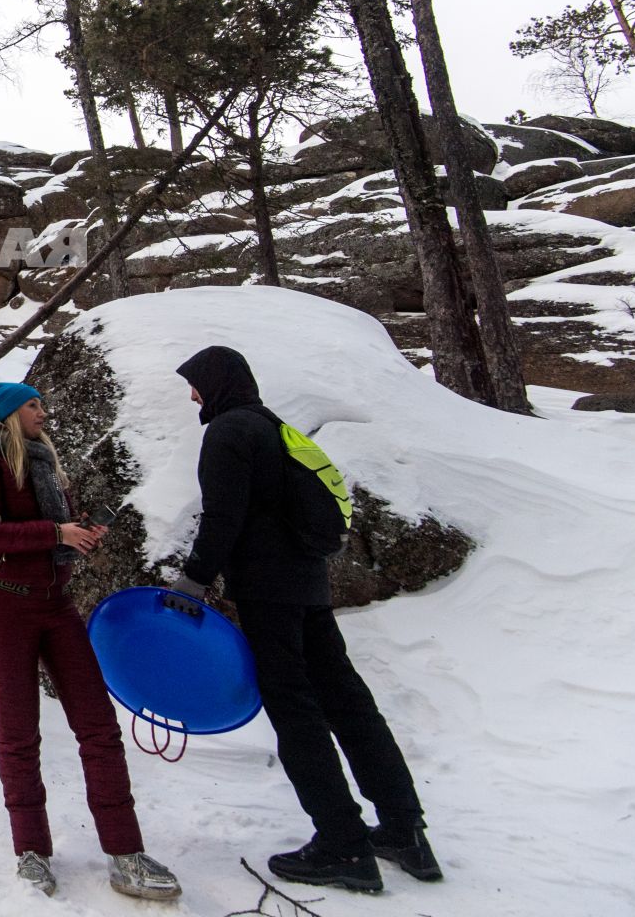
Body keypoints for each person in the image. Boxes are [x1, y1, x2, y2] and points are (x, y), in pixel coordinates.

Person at [169, 346, 438, 893]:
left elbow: (225, 515)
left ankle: (342, 844)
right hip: (310, 584)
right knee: (348, 700)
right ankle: (405, 829)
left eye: (195, 385)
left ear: (216, 384)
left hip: (269, 592)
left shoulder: (226, 433)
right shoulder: (274, 426)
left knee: (296, 713)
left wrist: (194, 580)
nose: (193, 396)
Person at [0, 381, 182, 903]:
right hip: (6, 607)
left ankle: (125, 852)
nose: (43, 412)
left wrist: (76, 531)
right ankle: (31, 850)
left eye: (41, 403)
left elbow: (51, 529)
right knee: (19, 732)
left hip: (56, 604)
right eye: (33, 405)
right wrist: (56, 534)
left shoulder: (44, 464)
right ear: (10, 414)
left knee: (98, 725)